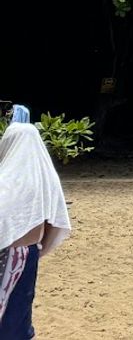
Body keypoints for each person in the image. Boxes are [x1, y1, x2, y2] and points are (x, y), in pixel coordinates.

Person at [1, 120, 72, 340]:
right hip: (30, 253)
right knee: (19, 312)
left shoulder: (7, 180)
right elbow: (56, 220)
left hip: (8, 254)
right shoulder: (45, 179)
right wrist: (38, 249)